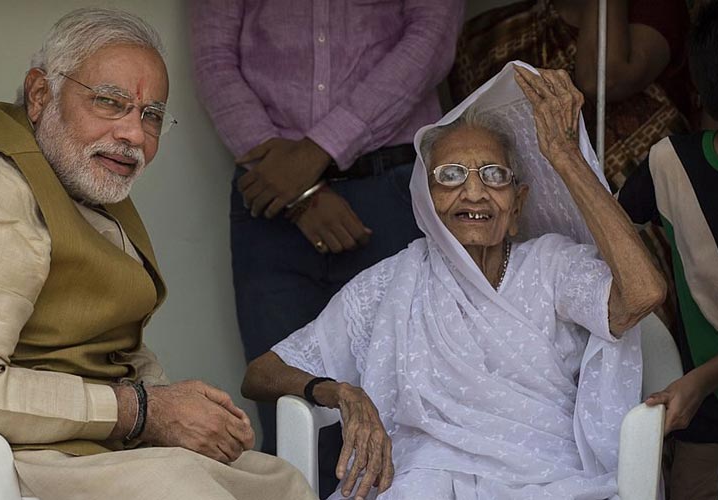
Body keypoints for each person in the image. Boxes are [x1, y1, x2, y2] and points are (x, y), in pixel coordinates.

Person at [0, 8, 315, 500]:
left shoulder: (82, 181)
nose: (134, 135)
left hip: (41, 446)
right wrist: (145, 410)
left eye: (152, 115)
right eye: (109, 102)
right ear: (40, 95)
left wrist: (185, 410)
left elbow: (100, 345)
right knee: (182, 491)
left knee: (275, 482)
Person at [243, 62, 666, 499]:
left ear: (517, 206)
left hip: (545, 481)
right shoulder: (394, 282)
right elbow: (262, 373)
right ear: (425, 202)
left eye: (494, 175)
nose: (474, 192)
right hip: (421, 481)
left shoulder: (551, 265)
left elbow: (642, 294)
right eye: (450, 176)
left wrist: (565, 156)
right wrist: (339, 392)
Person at [189, 2, 464, 496]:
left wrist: (315, 155)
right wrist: (296, 190)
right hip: (267, 197)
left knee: (408, 399)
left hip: (389, 188)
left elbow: (430, 38)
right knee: (287, 407)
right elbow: (214, 59)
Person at [449, 0, 695, 336]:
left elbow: (603, 77)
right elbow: (469, 140)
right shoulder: (486, 36)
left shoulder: (654, 9)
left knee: (648, 326)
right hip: (540, 216)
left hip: (639, 204)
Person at [621, 3, 718, 498]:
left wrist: (702, 379)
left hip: (698, 402)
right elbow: (606, 231)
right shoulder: (671, 165)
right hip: (706, 433)